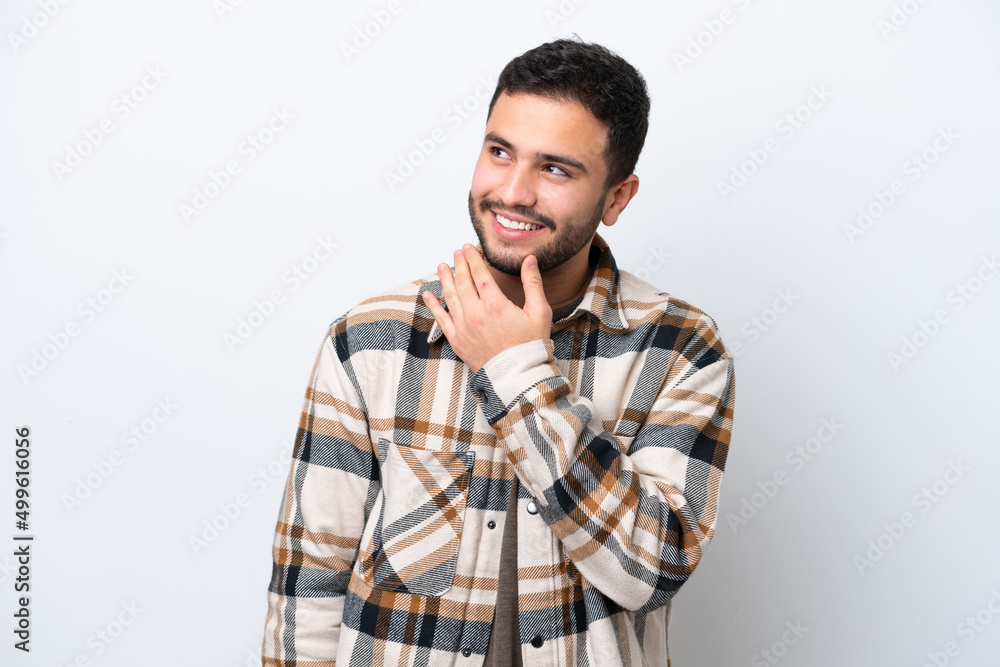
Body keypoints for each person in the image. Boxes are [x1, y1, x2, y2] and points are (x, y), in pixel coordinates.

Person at [260, 37, 735, 667]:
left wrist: (516, 371)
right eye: (500, 151)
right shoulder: (371, 338)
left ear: (617, 198)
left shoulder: (680, 349)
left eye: (555, 169)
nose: (513, 191)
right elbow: (309, 586)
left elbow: (652, 570)